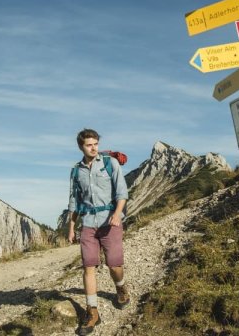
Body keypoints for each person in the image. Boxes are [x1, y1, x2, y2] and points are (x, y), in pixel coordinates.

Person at [67, 128, 130, 336]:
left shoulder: (110, 164)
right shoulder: (76, 171)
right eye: (89, 145)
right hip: (87, 224)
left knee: (114, 264)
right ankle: (92, 311)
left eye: (95, 144)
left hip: (110, 222)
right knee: (88, 267)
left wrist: (117, 214)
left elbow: (122, 192)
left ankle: (120, 288)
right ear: (81, 147)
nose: (93, 148)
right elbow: (74, 201)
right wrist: (71, 227)